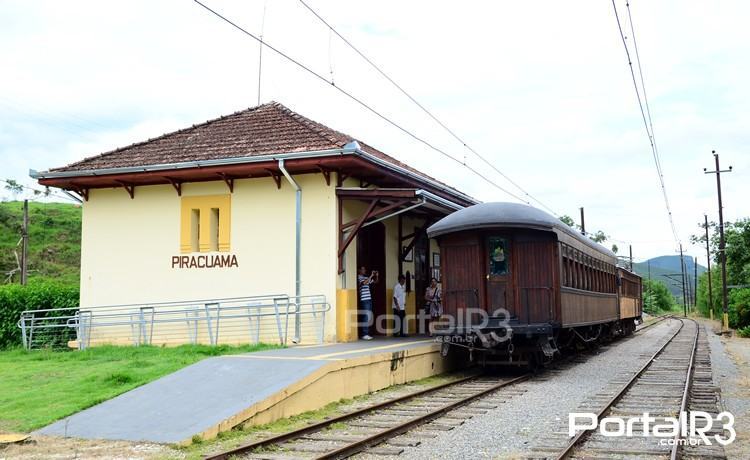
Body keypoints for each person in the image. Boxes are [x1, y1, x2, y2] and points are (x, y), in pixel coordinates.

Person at [358, 266, 378, 340]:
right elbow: (364, 283)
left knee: (369, 316)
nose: (364, 270)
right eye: (363, 269)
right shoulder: (359, 277)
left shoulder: (366, 277)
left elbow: (375, 282)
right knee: (366, 316)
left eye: (365, 269)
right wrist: (371, 275)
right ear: (359, 270)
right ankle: (364, 334)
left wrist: (376, 276)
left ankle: (366, 333)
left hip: (369, 299)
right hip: (364, 299)